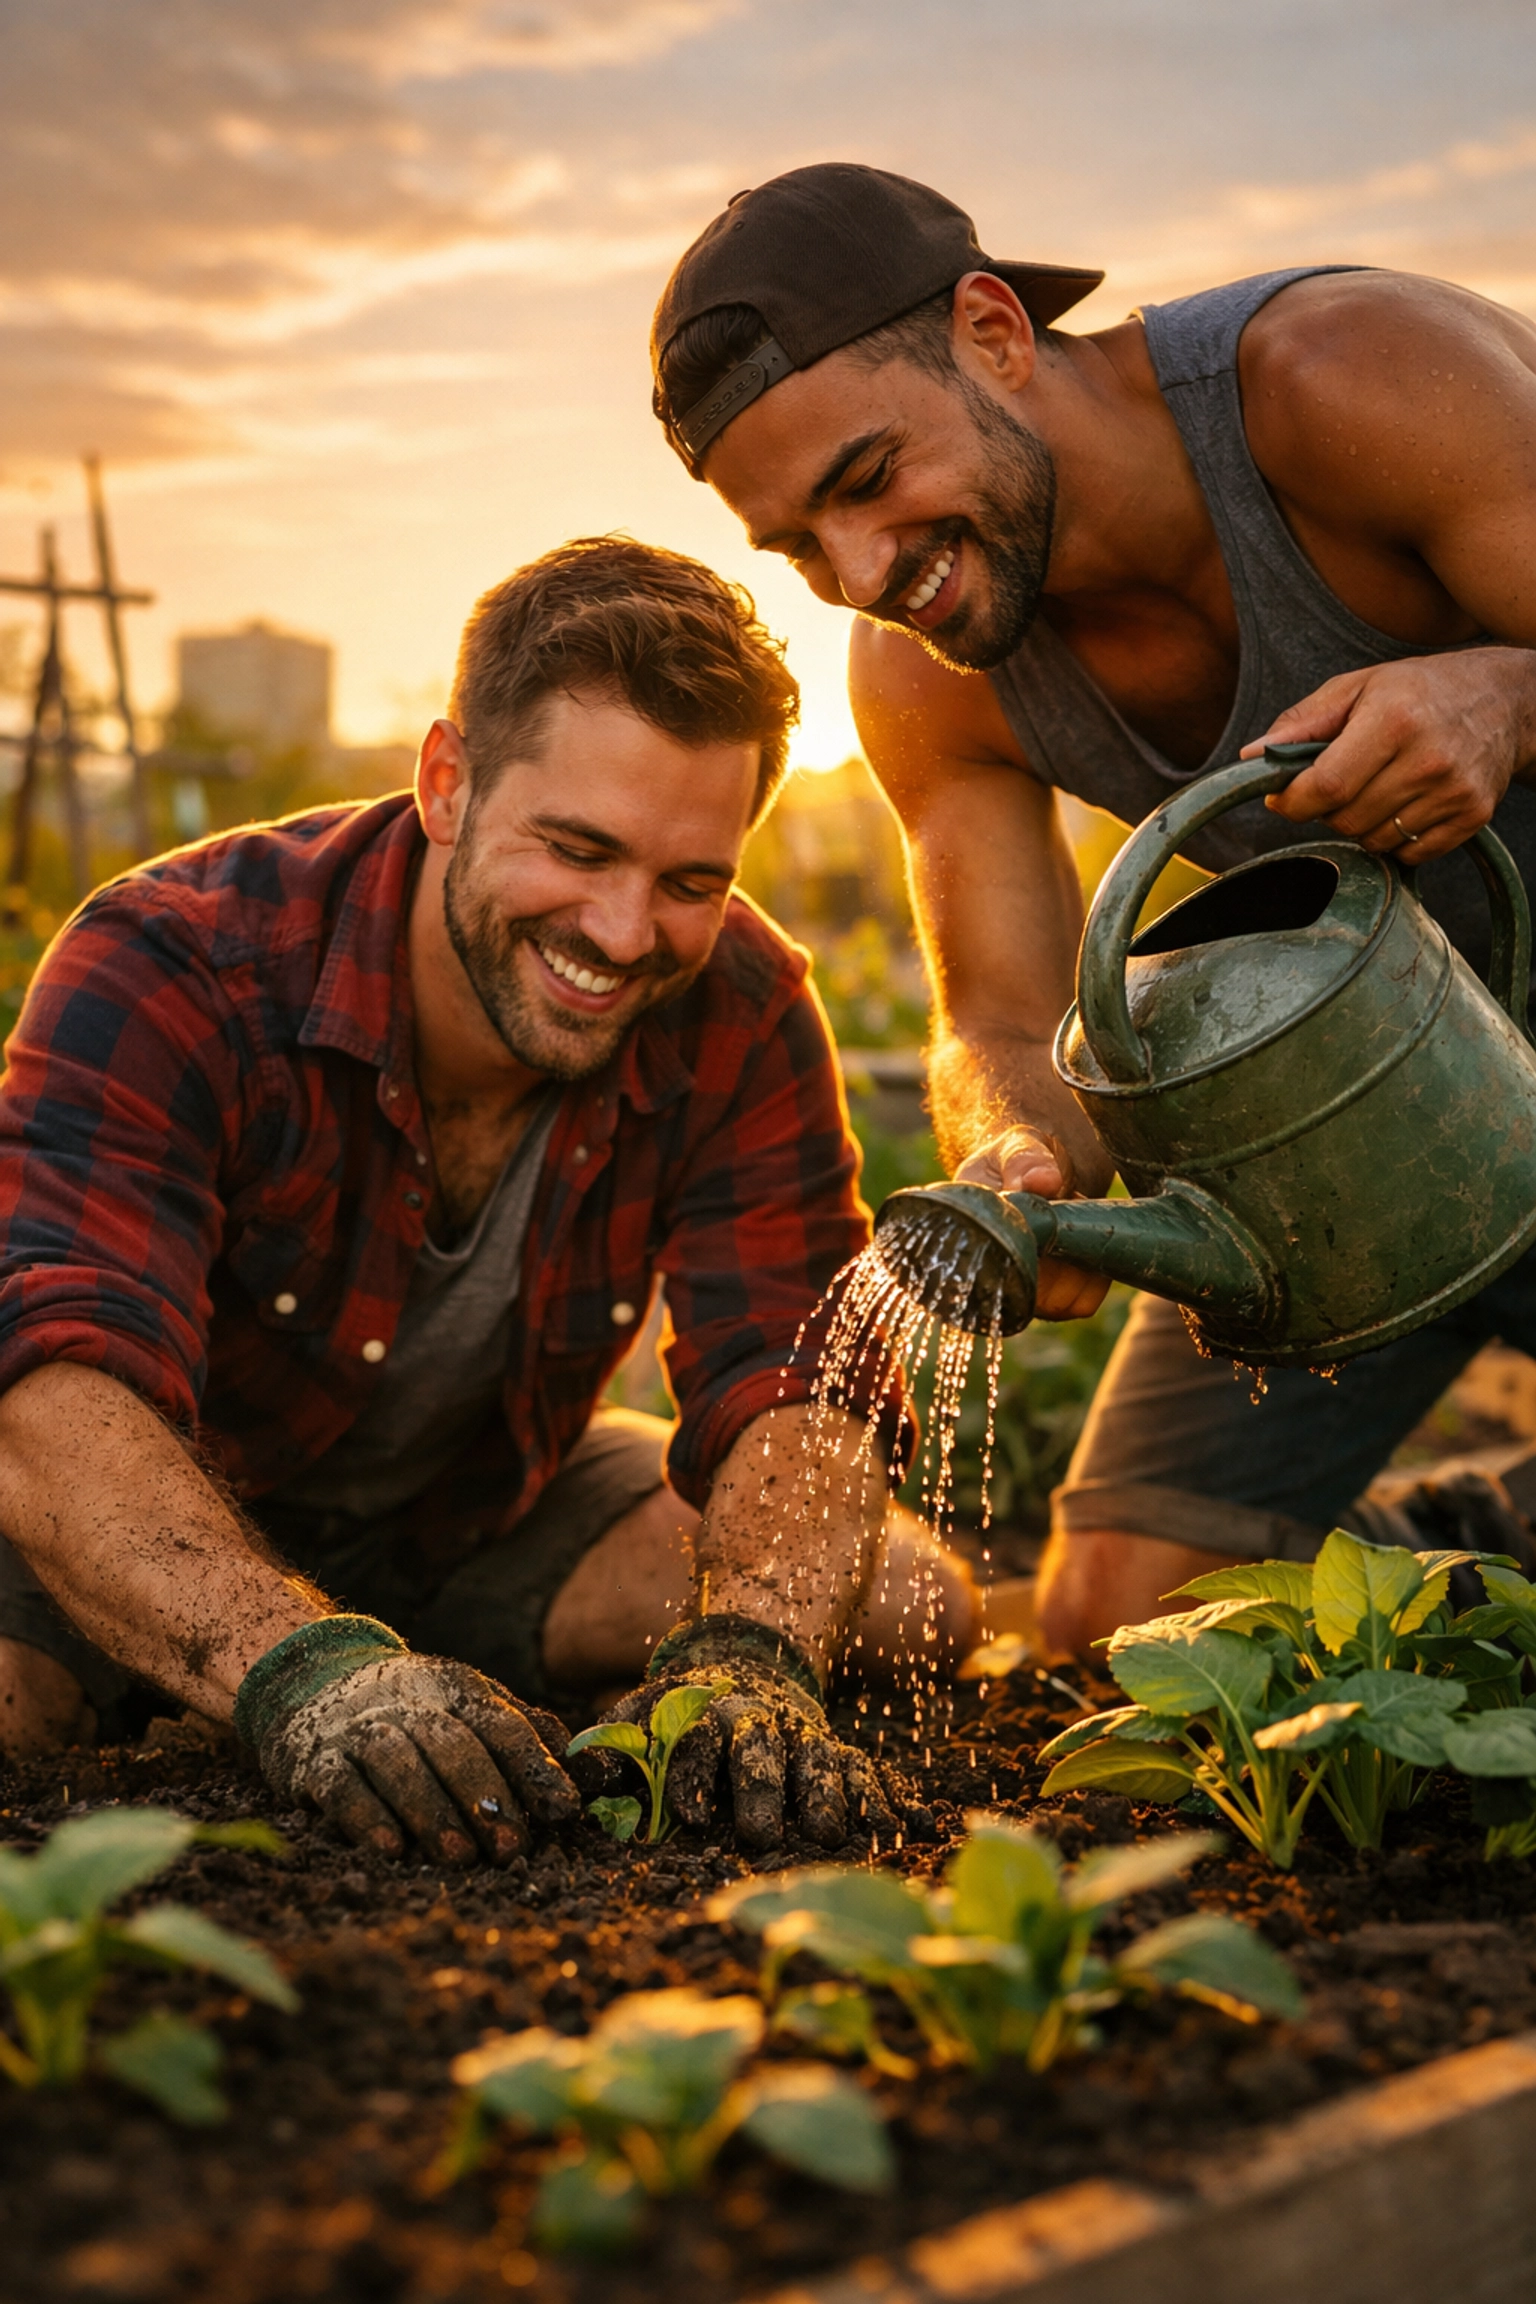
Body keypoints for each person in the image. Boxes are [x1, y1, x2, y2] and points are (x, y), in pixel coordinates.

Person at [649, 163, 1536, 1655]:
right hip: (1341, 1098)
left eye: (867, 478)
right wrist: (1015, 1146)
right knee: (1128, 1630)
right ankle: (1493, 1537)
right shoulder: (926, 675)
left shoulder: (1344, 379)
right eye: (799, 543)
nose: (861, 572)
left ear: (995, 331)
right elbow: (992, 1012)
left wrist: (1505, 692)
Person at [0, 535, 977, 1858]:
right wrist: (299, 1669)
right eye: (579, 849)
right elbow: (54, 1386)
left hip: (463, 1509)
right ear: (448, 783)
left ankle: (429, 1676)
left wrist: (750, 1651)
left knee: (906, 1598)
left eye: (690, 881)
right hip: (151, 1508)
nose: (627, 934)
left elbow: (799, 1372)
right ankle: (255, 1671)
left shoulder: (738, 1003)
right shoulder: (176, 964)